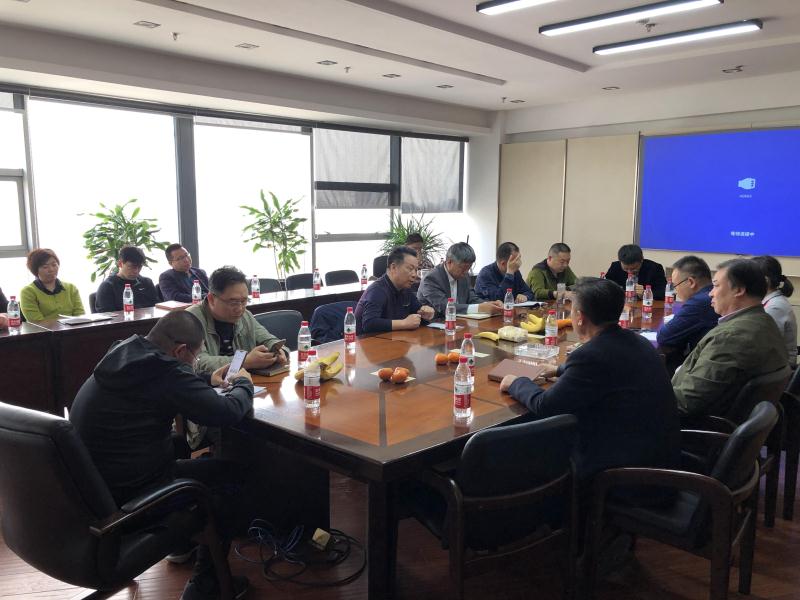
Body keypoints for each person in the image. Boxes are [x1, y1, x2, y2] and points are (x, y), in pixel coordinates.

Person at [69, 310, 253, 600]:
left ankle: (182, 545)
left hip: (91, 493)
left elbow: (165, 385)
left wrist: (205, 378)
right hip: (130, 504)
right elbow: (226, 412)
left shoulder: (127, 353)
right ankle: (207, 585)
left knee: (188, 450)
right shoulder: (164, 372)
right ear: (180, 351)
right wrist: (243, 384)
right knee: (231, 476)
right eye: (195, 356)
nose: (194, 362)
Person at [500, 277, 680, 484]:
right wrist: (560, 370)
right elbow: (610, 370)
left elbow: (546, 405)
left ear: (580, 317)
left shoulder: (590, 355)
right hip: (661, 462)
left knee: (535, 447)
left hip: (628, 476)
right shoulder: (638, 341)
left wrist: (516, 383)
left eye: (571, 309)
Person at [672, 259, 788, 418]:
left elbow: (687, 401)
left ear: (739, 290)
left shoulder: (730, 337)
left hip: (690, 424)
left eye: (716, 286)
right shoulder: (765, 322)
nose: (710, 293)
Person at [187, 265, 287, 373]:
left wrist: (278, 351)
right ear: (211, 299)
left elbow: (268, 340)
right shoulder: (190, 320)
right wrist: (243, 362)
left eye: (244, 301)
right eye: (233, 302)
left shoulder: (245, 316)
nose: (240, 309)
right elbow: (198, 362)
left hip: (243, 380)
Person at [656, 256, 718, 373]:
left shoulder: (699, 302)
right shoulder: (709, 295)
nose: (676, 291)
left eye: (675, 286)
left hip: (702, 367)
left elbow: (664, 336)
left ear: (691, 282)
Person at [355, 246, 435, 334]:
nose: (414, 275)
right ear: (393, 267)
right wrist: (404, 323)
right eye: (410, 268)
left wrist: (426, 314)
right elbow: (369, 324)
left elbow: (417, 313)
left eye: (416, 270)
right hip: (369, 341)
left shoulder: (405, 289)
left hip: (394, 338)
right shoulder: (377, 290)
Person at [417, 242, 503, 317]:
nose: (466, 272)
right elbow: (445, 307)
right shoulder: (431, 278)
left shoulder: (464, 276)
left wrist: (489, 304)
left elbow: (472, 298)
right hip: (433, 325)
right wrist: (479, 308)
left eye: (469, 268)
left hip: (459, 322)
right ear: (449, 262)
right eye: (463, 268)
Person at [753, 255, 797, 366]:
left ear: (765, 281)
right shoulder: (771, 302)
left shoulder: (775, 308)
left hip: (778, 369)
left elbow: (763, 345)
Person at [19, 248, 84, 321]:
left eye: (54, 265)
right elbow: (37, 322)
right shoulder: (28, 292)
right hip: (44, 329)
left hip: (74, 328)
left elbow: (80, 316)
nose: (51, 269)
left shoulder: (71, 288)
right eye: (45, 267)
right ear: (35, 270)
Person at [95, 245, 159, 312]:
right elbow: (106, 316)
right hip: (124, 319)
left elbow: (157, 308)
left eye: (139, 267)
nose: (136, 271)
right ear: (120, 264)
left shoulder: (147, 283)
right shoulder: (108, 286)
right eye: (132, 266)